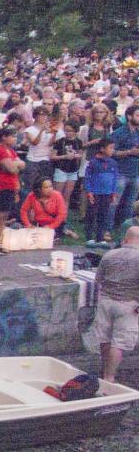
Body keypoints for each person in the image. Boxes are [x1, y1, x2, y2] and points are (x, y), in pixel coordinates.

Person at [86, 226, 139, 382]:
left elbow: (98, 279)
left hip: (106, 302)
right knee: (119, 343)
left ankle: (104, 370)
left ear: (125, 239)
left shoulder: (109, 254)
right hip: (129, 305)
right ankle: (110, 376)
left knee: (105, 339)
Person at [0, 127, 24, 255]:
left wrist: (15, 164)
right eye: (12, 136)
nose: (15, 139)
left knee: (4, 216)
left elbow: (22, 164)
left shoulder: (11, 151)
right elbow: (13, 169)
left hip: (10, 187)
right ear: (4, 137)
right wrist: (15, 164)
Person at [51, 120, 84, 237]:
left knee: (66, 197)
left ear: (75, 131)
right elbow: (52, 156)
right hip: (61, 169)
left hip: (73, 170)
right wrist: (65, 156)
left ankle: (63, 220)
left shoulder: (78, 142)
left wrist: (77, 156)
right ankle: (53, 219)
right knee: (57, 195)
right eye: (66, 130)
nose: (68, 133)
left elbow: (80, 154)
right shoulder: (60, 142)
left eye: (71, 131)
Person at [84, 138, 118, 248]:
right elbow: (87, 177)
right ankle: (89, 237)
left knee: (103, 215)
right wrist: (89, 191)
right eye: (110, 148)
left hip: (107, 194)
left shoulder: (113, 163)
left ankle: (100, 237)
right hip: (95, 193)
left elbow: (114, 178)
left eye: (113, 148)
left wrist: (113, 192)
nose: (112, 150)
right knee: (91, 215)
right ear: (102, 149)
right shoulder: (93, 163)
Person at [112, 105, 139, 228]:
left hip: (135, 173)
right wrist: (129, 152)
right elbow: (111, 152)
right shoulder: (119, 133)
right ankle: (107, 228)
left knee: (129, 203)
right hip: (121, 172)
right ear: (129, 116)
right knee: (114, 202)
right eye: (138, 115)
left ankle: (125, 229)